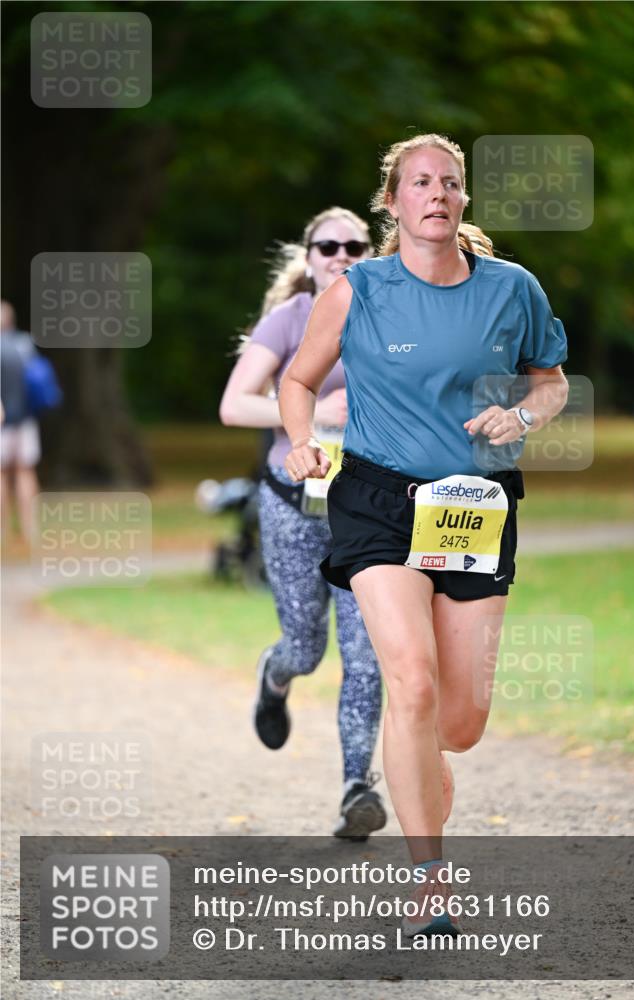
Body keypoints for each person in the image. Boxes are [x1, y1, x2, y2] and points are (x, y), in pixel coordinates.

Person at [279, 134, 568, 932]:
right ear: (392, 202)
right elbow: (298, 379)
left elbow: (550, 381)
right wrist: (302, 438)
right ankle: (429, 882)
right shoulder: (357, 289)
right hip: (374, 499)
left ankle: (416, 767)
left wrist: (518, 412)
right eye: (418, 183)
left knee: (459, 722)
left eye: (449, 182)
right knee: (409, 680)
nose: (435, 193)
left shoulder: (512, 289)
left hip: (475, 501)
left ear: (463, 200)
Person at [220, 207, 387, 840]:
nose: (341, 254)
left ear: (371, 252)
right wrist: (312, 414)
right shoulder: (289, 319)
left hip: (365, 510)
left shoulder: (388, 317)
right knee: (306, 649)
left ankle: (356, 787)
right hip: (292, 507)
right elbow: (234, 404)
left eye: (354, 245)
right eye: (328, 245)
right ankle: (275, 672)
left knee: (365, 657)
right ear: (310, 255)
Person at [1, 300, 41, 544]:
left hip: (3, 422)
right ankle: (30, 529)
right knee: (26, 472)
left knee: (2, 474)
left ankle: (3, 531)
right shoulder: (26, 344)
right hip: (26, 419)